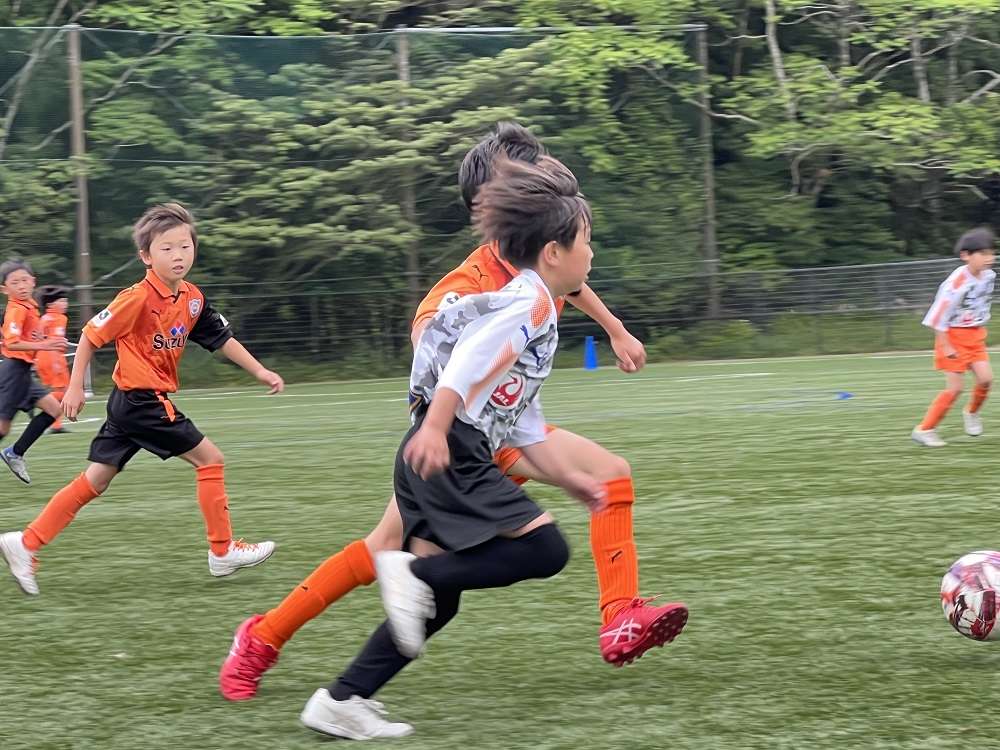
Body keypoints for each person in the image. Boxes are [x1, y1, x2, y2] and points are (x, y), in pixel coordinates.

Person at [220, 123, 686, 702]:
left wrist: (614, 328)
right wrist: (447, 409)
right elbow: (435, 339)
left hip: (504, 433)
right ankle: (264, 640)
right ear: (490, 204)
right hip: (459, 446)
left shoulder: (543, 262)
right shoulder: (469, 285)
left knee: (603, 478)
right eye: (525, 179)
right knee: (391, 554)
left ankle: (620, 615)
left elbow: (568, 285)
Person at [300, 156, 606, 740]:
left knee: (438, 601)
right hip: (450, 449)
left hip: (438, 449)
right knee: (545, 550)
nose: (592, 255)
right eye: (587, 242)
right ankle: (409, 571)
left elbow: (520, 422)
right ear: (553, 252)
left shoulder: (536, 306)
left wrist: (569, 481)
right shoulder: (530, 301)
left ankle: (341, 700)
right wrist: (438, 426)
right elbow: (467, 360)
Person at [0, 203, 283, 596]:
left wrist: (260, 371)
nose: (178, 255)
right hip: (142, 401)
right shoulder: (135, 298)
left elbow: (221, 339)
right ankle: (222, 551)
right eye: (166, 248)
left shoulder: (192, 298)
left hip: (129, 403)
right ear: (146, 256)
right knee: (211, 460)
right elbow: (90, 336)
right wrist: (76, 386)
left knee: (95, 480)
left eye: (184, 246)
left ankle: (25, 542)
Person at [912, 227, 996, 447]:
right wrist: (946, 346)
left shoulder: (989, 276)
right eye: (983, 253)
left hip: (975, 335)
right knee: (955, 388)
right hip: (951, 336)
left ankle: (971, 412)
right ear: (965, 255)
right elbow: (938, 316)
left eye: (992, 253)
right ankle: (924, 429)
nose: (990, 258)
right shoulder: (955, 283)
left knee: (986, 380)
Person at [0, 261, 68, 483]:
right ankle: (15, 453)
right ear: (4, 289)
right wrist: (46, 345)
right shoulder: (17, 309)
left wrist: (46, 341)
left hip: (22, 372)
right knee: (2, 428)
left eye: (25, 280)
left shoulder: (29, 305)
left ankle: (15, 453)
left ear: (33, 282)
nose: (21, 285)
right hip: (13, 371)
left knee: (54, 409)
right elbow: (12, 343)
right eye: (14, 282)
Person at [35, 285, 72, 434]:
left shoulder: (45, 318)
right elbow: (51, 340)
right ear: (50, 304)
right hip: (52, 357)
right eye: (61, 301)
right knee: (63, 392)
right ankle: (35, 400)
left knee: (61, 390)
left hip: (44, 356)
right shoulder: (57, 318)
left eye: (66, 300)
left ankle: (56, 425)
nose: (65, 304)